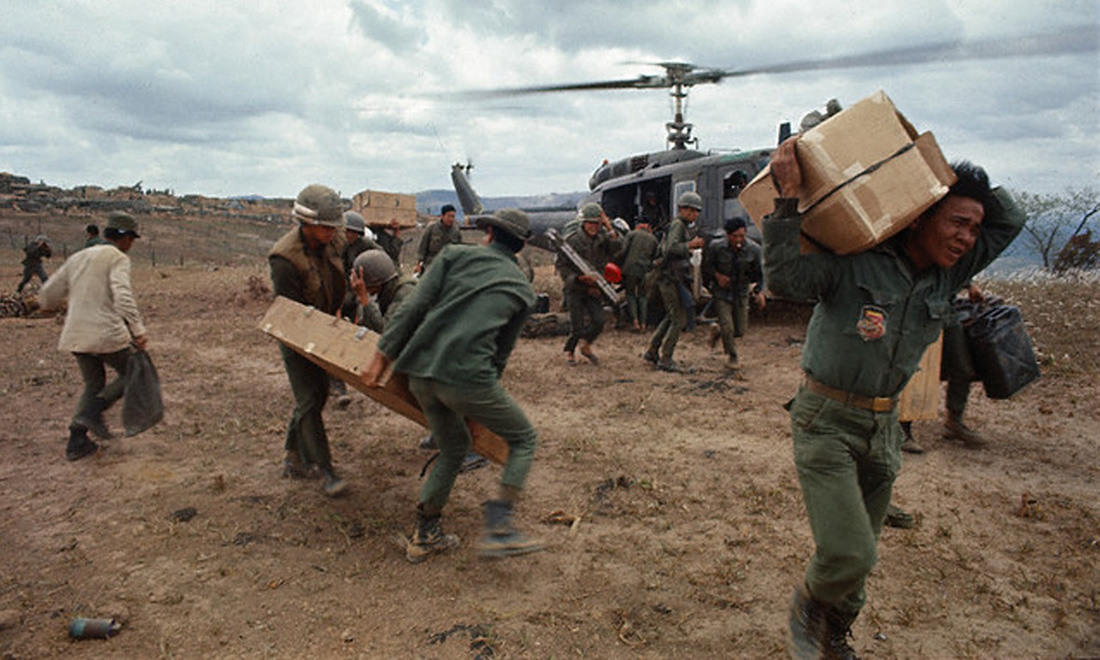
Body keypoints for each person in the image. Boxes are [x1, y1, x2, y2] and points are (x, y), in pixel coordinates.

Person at [763, 138, 1025, 660]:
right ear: (917, 219)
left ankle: (835, 635)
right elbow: (785, 279)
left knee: (865, 549)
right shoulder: (855, 263)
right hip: (826, 422)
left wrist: (944, 176)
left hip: (885, 427)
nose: (967, 237)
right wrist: (787, 200)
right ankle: (809, 607)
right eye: (955, 222)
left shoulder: (949, 275)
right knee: (849, 552)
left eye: (973, 228)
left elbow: (1010, 219)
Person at [362, 208, 542, 563]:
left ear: (488, 233)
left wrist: (381, 355)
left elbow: (414, 306)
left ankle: (425, 533)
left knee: (455, 446)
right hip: (467, 378)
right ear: (520, 247)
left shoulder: (453, 255)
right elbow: (499, 355)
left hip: (420, 375)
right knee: (524, 439)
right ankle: (500, 526)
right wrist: (479, 404)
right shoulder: (522, 290)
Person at [39, 213, 148, 461]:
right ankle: (94, 412)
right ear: (123, 237)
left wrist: (48, 305)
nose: (131, 245)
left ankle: (76, 440)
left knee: (94, 383)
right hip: (105, 332)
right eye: (131, 239)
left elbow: (48, 294)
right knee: (133, 372)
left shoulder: (78, 257)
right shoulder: (116, 257)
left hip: (76, 333)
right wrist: (138, 330)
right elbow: (123, 295)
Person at [269, 184, 349, 497]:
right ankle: (325, 470)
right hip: (296, 333)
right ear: (305, 221)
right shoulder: (284, 258)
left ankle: (292, 457)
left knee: (316, 395)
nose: (332, 232)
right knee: (309, 400)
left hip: (325, 326)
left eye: (334, 227)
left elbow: (344, 261)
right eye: (325, 227)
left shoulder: (333, 240)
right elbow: (290, 314)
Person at [644, 191, 706, 373]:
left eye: (697, 212)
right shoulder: (678, 225)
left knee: (671, 316)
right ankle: (666, 358)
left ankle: (652, 351)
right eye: (692, 211)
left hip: (673, 277)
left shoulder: (680, 226)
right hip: (669, 278)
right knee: (679, 318)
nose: (695, 215)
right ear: (683, 209)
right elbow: (671, 249)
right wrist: (690, 246)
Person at [559, 202, 620, 366]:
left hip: (594, 288)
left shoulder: (602, 239)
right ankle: (570, 352)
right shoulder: (572, 241)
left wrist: (608, 226)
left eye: (596, 223)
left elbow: (617, 248)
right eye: (590, 223)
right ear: (583, 222)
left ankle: (585, 345)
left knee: (599, 321)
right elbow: (561, 266)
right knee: (577, 325)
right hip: (575, 288)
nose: (593, 227)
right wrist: (577, 279)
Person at [701, 217, 765, 370]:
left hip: (741, 292)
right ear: (727, 235)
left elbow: (760, 274)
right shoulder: (716, 247)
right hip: (722, 292)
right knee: (728, 327)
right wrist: (717, 277)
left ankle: (717, 331)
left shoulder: (754, 249)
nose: (739, 240)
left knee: (740, 330)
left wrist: (759, 291)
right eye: (735, 236)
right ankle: (732, 356)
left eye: (742, 236)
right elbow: (706, 267)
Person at [618, 221, 659, 331]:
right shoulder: (653, 239)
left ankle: (635, 322)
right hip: (645, 271)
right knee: (643, 296)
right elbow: (656, 255)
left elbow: (623, 250)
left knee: (630, 294)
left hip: (630, 269)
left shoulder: (631, 234)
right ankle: (644, 324)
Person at [416, 204, 462, 274]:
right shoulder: (431, 229)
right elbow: (422, 247)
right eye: (449, 216)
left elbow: (459, 249)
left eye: (453, 216)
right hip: (432, 264)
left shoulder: (456, 231)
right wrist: (418, 264)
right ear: (442, 216)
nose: (451, 219)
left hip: (449, 265)